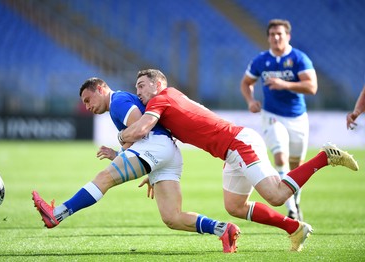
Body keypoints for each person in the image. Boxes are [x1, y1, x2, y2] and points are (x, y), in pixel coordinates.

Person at [119, 69, 359, 252]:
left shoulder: (161, 98)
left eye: (141, 85)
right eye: (136, 88)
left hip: (239, 143)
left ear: (158, 83)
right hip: (230, 151)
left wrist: (120, 136)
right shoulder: (167, 102)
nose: (138, 91)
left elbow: (141, 130)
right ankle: (295, 228)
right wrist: (152, 171)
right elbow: (162, 144)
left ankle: (325, 156)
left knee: (275, 195)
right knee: (235, 206)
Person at [32, 77, 241, 253]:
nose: (87, 106)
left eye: (88, 100)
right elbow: (141, 131)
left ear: (101, 89)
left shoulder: (118, 101)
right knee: (172, 218)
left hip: (155, 146)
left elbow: (141, 126)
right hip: (167, 153)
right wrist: (132, 159)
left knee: (104, 178)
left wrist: (139, 157)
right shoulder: (119, 103)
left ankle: (57, 213)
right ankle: (223, 229)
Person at [240, 19, 318, 221]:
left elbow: (312, 87)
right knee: (280, 158)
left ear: (288, 36)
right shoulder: (261, 60)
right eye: (272, 34)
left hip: (297, 118)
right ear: (268, 37)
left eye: (280, 34)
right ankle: (291, 209)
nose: (275, 38)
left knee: (295, 165)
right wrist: (250, 100)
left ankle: (296, 202)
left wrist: (284, 84)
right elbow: (246, 82)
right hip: (272, 116)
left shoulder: (299, 58)